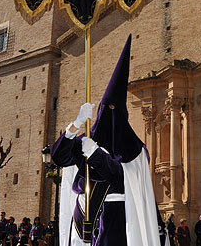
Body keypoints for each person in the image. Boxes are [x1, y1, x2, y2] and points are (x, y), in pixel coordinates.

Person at [50, 35, 160, 246]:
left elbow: (122, 177)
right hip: (82, 216)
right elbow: (58, 157)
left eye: (114, 110)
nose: (110, 115)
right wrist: (76, 124)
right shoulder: (86, 140)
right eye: (105, 109)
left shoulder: (135, 149)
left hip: (116, 218)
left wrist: (96, 155)